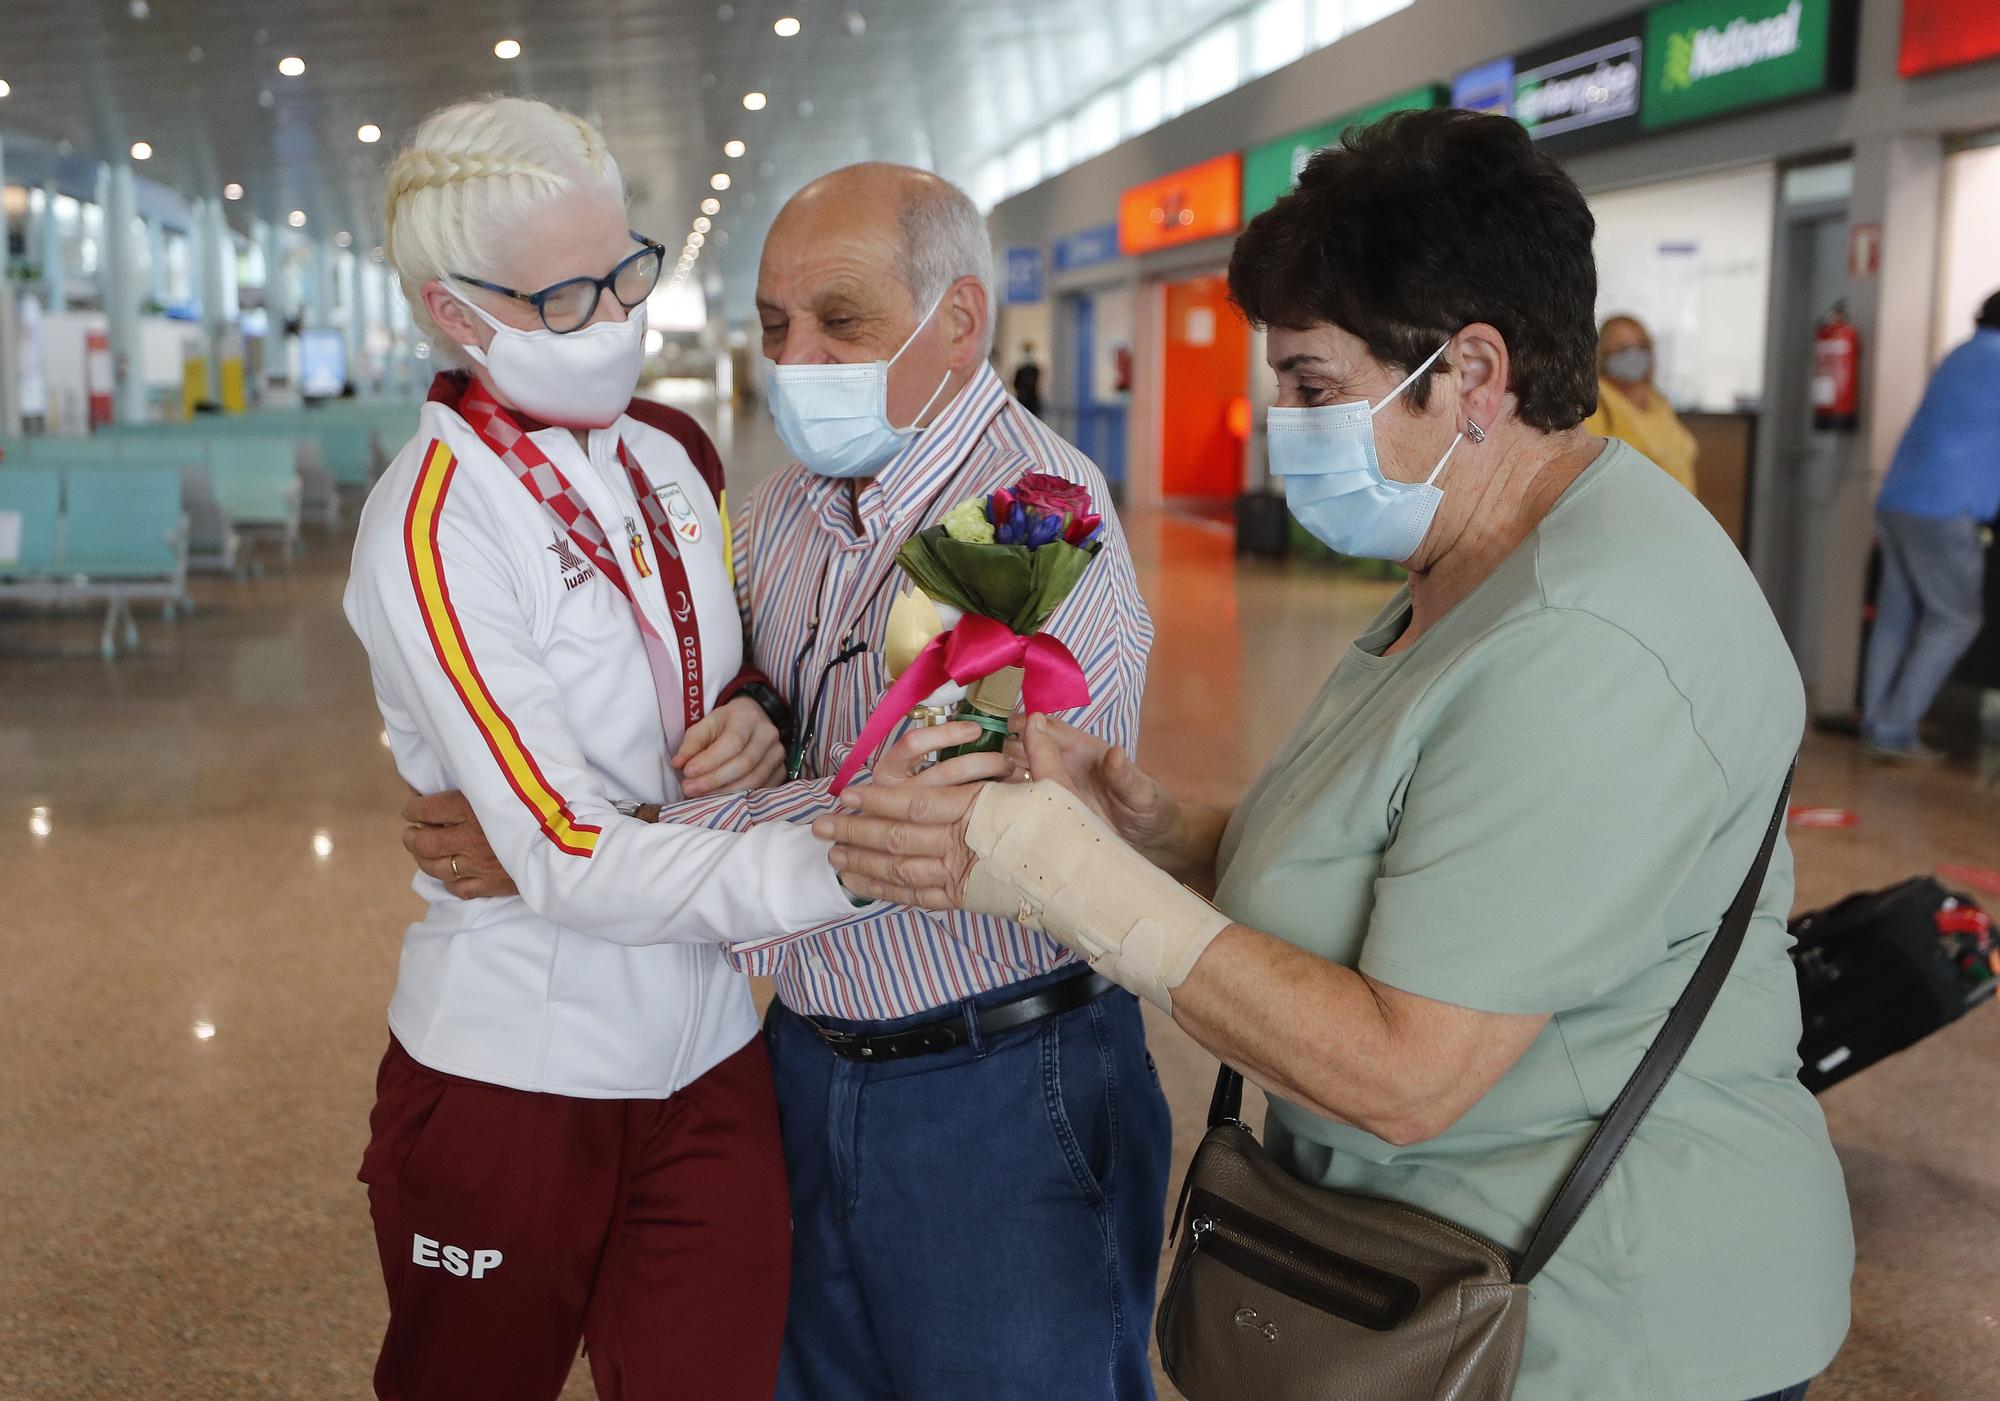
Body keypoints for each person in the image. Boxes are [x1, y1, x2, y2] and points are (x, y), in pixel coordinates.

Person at [818, 109, 1853, 1401]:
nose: (1278, 425)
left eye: (1312, 386)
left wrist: (1054, 872)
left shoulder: (1591, 637)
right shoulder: (1477, 558)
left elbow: (1403, 1075)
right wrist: (1165, 831)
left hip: (1600, 1327)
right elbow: (1419, 845)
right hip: (1420, 1272)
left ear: (1472, 374)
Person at [400, 162, 1167, 1401]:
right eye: (772, 324)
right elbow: (741, 682)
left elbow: (915, 819)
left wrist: (576, 841)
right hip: (805, 1063)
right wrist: (751, 710)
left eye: (840, 320)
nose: (795, 356)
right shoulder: (789, 506)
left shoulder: (1034, 516)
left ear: (959, 319)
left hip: (994, 1087)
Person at [344, 98, 879, 1401]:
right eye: (565, 296)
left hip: (706, 1058)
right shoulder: (434, 525)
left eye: (627, 271)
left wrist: (758, 710)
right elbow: (568, 857)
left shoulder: (674, 452)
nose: (616, 317)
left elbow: (726, 657)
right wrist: (855, 861)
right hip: (513, 1075)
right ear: (452, 312)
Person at [1859, 290, 2000, 764]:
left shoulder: (1964, 352)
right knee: (1957, 618)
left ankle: (1876, 719)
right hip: (1944, 509)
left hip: (1899, 498)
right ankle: (1895, 730)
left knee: (1898, 613)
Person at [1581, 313, 1698, 493]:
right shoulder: (1595, 403)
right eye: (1622, 348)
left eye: (1641, 346)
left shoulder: (1658, 400)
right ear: (1602, 352)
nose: (1633, 355)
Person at [1012, 338, 1044, 416]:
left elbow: (1037, 384)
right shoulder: (1020, 370)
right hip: (1022, 400)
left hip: (1032, 401)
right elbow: (1015, 384)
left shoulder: (1035, 370)